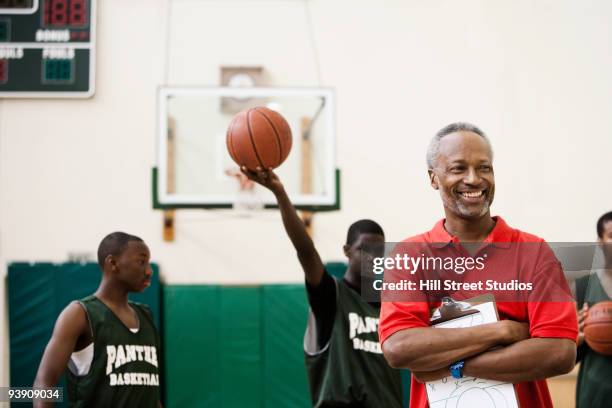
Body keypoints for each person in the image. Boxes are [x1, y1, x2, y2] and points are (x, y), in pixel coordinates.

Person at [379, 123, 577, 408]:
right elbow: (399, 348)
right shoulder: (410, 256)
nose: (473, 179)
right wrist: (504, 332)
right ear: (433, 178)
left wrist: (450, 366)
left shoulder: (534, 252)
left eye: (484, 168)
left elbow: (559, 352)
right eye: (458, 168)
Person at [242, 166, 402, 408]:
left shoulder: (391, 306)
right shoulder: (331, 296)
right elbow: (305, 250)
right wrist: (280, 194)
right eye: (363, 249)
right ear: (347, 251)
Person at [33, 232, 161, 408]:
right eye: (141, 261)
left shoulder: (146, 315)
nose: (149, 270)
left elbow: (149, 392)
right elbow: (44, 383)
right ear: (113, 263)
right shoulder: (79, 314)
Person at [575, 211, 612, 408]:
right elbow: (568, 359)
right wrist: (577, 338)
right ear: (600, 241)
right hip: (594, 394)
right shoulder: (583, 286)